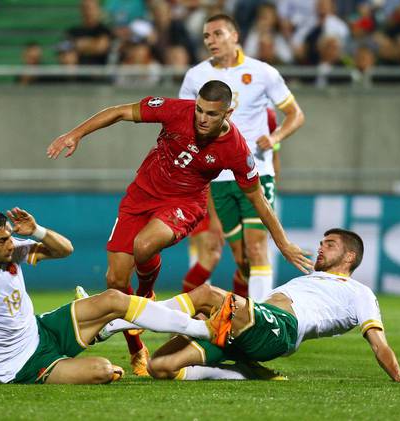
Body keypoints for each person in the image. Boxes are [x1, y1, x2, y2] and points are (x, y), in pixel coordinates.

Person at [46, 80, 313, 376]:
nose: (201, 118)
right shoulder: (177, 111)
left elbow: (259, 201)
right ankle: (137, 349)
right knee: (115, 278)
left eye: (211, 114)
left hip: (184, 203)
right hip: (140, 195)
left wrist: (283, 243)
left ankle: (146, 294)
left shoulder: (236, 149)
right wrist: (75, 134)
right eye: (199, 109)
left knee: (144, 246)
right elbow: (120, 111)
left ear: (228, 113)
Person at [0, 207, 236, 384]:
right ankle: (109, 328)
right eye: (2, 241)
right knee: (104, 371)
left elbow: (65, 249)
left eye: (10, 238)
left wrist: (37, 231)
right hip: (21, 365)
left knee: (113, 298)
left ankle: (203, 330)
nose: (10, 245)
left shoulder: (9, 253)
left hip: (42, 330)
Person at [119, 228, 400, 383]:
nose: (321, 247)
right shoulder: (308, 278)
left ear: (350, 257)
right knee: (161, 367)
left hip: (281, 329)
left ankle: (120, 321)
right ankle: (247, 372)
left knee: (208, 295)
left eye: (331, 244)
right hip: (249, 328)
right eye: (322, 242)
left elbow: (379, 343)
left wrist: (398, 376)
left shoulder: (359, 292)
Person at [178, 14, 305, 303]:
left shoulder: (263, 72)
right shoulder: (195, 76)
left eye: (217, 34)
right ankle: (236, 312)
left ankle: (261, 321)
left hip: (256, 171)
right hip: (218, 177)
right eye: (207, 36)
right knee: (242, 258)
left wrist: (274, 139)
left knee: (257, 245)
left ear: (235, 36)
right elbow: (186, 125)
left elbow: (296, 114)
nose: (211, 40)